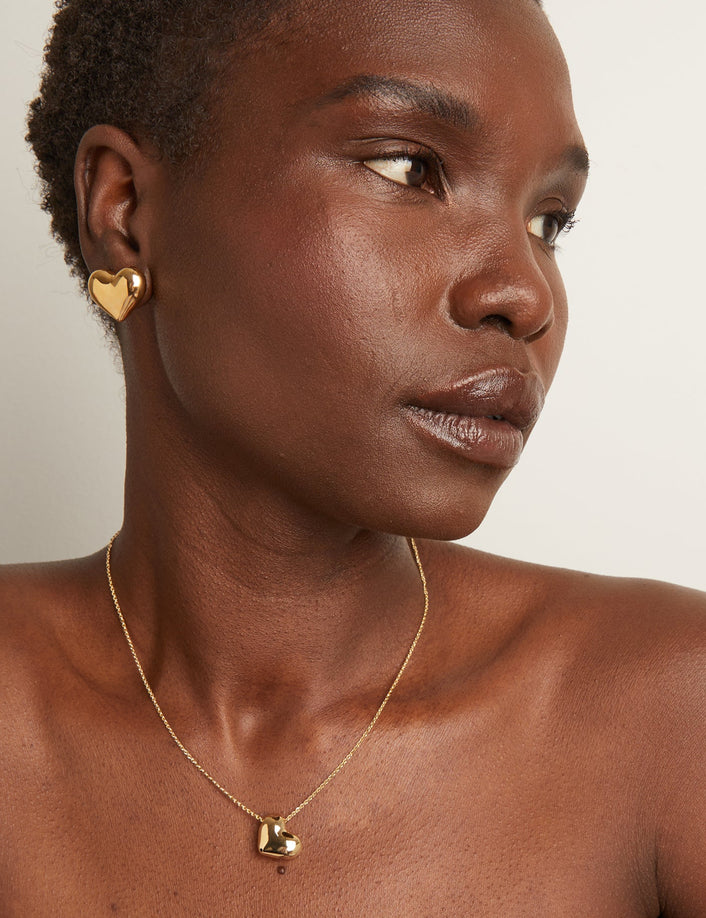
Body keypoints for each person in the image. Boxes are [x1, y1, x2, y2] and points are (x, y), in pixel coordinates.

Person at [1, 0, 705, 914]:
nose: (524, 294)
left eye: (550, 220)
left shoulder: (667, 710)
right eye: (409, 168)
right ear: (125, 210)